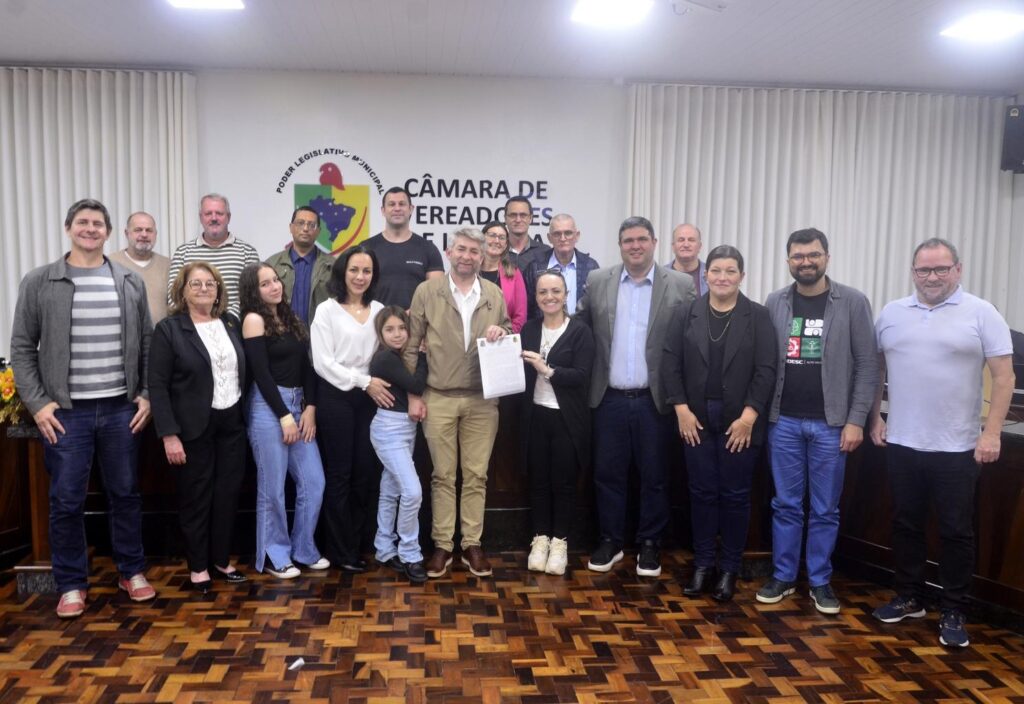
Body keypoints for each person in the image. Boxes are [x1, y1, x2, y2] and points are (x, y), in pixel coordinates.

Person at [11, 198, 155, 618]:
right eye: (82, 222)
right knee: (66, 500)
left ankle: (132, 571)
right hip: (66, 414)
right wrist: (38, 404)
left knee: (125, 494)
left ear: (108, 232)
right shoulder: (40, 281)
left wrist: (146, 393)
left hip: (120, 408)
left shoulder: (128, 281)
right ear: (68, 228)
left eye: (97, 223)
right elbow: (22, 347)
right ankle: (72, 583)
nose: (90, 229)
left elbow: (147, 343)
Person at [870, 238, 1014, 649]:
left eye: (940, 269)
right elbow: (876, 369)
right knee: (906, 524)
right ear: (913, 272)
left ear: (958, 269)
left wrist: (991, 432)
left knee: (955, 532)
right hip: (902, 442)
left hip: (957, 447)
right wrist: (874, 416)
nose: (931, 277)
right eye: (923, 270)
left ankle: (953, 608)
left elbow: (1004, 377)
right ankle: (910, 597)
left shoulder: (982, 313)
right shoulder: (892, 313)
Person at [756, 228, 878, 614]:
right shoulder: (775, 301)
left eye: (813, 255)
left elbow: (868, 365)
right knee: (785, 505)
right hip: (783, 422)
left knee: (825, 509)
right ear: (788, 261)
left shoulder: (853, 302)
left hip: (831, 424)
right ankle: (784, 575)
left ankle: (820, 580)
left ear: (827, 257)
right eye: (798, 256)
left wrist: (856, 420)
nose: (805, 262)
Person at [576, 216, 696, 576]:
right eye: (628, 240)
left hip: (655, 400)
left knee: (655, 476)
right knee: (607, 474)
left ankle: (649, 543)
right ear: (620, 245)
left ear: (654, 243)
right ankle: (610, 540)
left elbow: (692, 340)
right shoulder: (599, 280)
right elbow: (578, 327)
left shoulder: (680, 284)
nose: (635, 246)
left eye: (642, 239)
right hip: (609, 398)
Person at [661, 246, 776, 601]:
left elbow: (766, 370)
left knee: (736, 496)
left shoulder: (757, 316)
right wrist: (681, 409)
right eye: (716, 271)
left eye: (730, 271)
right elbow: (669, 363)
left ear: (742, 276)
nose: (722, 277)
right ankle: (703, 565)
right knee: (701, 493)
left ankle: (729, 569)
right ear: (706, 274)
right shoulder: (686, 313)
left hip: (739, 421)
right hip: (694, 418)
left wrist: (749, 417)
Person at [404, 227, 511, 579]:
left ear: (483, 256)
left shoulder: (493, 293)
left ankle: (472, 544)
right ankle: (442, 545)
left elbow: (509, 331)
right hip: (438, 397)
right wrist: (413, 394)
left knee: (477, 475)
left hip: (482, 400)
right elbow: (411, 345)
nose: (467, 256)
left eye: (474, 251)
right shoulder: (427, 291)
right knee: (442, 476)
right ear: (449, 252)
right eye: (461, 249)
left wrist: (502, 332)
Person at [149, 262, 248, 593]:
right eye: (196, 284)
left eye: (210, 284)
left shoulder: (230, 323)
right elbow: (158, 385)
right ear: (183, 290)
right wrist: (169, 434)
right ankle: (198, 567)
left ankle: (220, 560)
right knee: (197, 498)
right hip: (192, 428)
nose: (204, 289)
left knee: (227, 495)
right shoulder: (169, 330)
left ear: (219, 290)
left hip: (232, 423)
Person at [239, 263, 328, 579]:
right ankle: (275, 555)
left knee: (314, 482)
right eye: (265, 284)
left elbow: (307, 367)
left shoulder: (291, 318)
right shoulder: (253, 319)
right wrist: (284, 416)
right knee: (272, 488)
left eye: (275, 280)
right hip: (268, 407)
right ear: (253, 290)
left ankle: (304, 549)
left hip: (298, 404)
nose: (274, 286)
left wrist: (310, 407)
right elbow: (261, 374)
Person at [310, 245, 390, 573]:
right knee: (339, 474)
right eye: (354, 270)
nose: (360, 276)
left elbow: (390, 348)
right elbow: (322, 363)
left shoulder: (379, 310)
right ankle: (339, 550)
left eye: (367, 271)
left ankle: (356, 545)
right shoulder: (327, 311)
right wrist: (362, 381)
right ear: (342, 271)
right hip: (336, 398)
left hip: (369, 400)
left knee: (364, 473)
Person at [520, 270, 595, 575]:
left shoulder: (580, 332)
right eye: (543, 292)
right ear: (536, 297)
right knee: (538, 482)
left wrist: (547, 370)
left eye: (555, 291)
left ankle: (559, 542)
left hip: (567, 420)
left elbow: (582, 376)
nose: (549, 297)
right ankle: (540, 540)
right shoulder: (528, 329)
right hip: (535, 416)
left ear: (566, 295)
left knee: (563, 484)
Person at [369, 305, 429, 584]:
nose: (397, 334)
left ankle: (383, 548)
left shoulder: (397, 356)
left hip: (405, 428)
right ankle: (409, 553)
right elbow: (416, 385)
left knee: (391, 489)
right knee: (412, 491)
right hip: (388, 429)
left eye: (402, 328)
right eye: (390, 329)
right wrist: (424, 355)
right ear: (380, 333)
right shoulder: (385, 358)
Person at [167, 193, 260, 316]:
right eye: (208, 213)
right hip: (191, 325)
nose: (214, 218)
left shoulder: (248, 253)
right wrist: (195, 320)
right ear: (201, 218)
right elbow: (173, 295)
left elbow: (253, 295)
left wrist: (227, 321)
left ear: (228, 217)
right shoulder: (182, 253)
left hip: (235, 325)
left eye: (219, 213)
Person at [362, 186, 444, 308]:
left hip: (416, 319)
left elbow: (436, 295)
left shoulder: (428, 249)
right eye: (391, 204)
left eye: (402, 204)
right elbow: (356, 290)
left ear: (411, 209)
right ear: (383, 210)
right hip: (375, 319)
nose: (397, 208)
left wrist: (412, 314)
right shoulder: (366, 248)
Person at [521, 214, 601, 320]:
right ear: (549, 238)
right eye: (557, 234)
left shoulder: (590, 267)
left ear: (577, 236)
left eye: (568, 233)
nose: (563, 238)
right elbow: (527, 309)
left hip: (581, 329)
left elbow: (597, 308)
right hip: (543, 329)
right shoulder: (535, 267)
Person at [266, 206, 335, 325]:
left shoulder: (332, 266)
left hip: (321, 333)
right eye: (300, 223)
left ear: (318, 231)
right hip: (282, 333)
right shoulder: (272, 264)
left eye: (312, 225)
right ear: (291, 227)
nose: (306, 228)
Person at [109, 211, 171, 324]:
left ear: (155, 234)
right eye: (138, 230)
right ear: (127, 233)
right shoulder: (110, 263)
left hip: (161, 334)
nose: (144, 234)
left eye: (149, 230)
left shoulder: (168, 265)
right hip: (123, 334)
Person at [480, 221, 527, 332]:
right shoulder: (470, 271)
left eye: (501, 238)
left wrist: (505, 332)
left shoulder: (514, 273)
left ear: (506, 245)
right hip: (471, 338)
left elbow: (520, 316)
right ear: (482, 239)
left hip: (502, 339)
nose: (497, 241)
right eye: (492, 235)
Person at [665, 224, 709, 297]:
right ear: (673, 246)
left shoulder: (711, 274)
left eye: (691, 240)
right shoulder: (659, 275)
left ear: (699, 246)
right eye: (681, 240)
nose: (686, 245)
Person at [503, 195, 537, 264]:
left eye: (523, 215)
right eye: (513, 215)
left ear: (530, 218)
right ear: (505, 218)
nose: (518, 220)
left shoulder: (544, 252)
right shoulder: (497, 251)